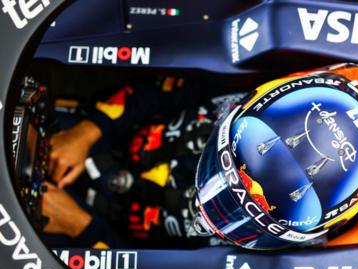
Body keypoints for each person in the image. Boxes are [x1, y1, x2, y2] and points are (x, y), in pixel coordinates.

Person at [43, 65, 358, 249]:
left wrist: (82, 228)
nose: (258, 185)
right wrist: (88, 131)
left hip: (100, 236)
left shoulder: (288, 251)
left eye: (289, 192)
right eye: (261, 150)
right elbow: (163, 89)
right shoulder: (236, 94)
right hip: (100, 138)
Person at [42, 76, 246, 248]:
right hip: (104, 137)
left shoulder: (246, 242)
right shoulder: (247, 103)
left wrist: (79, 226)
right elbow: (156, 91)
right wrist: (86, 133)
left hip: (96, 230)